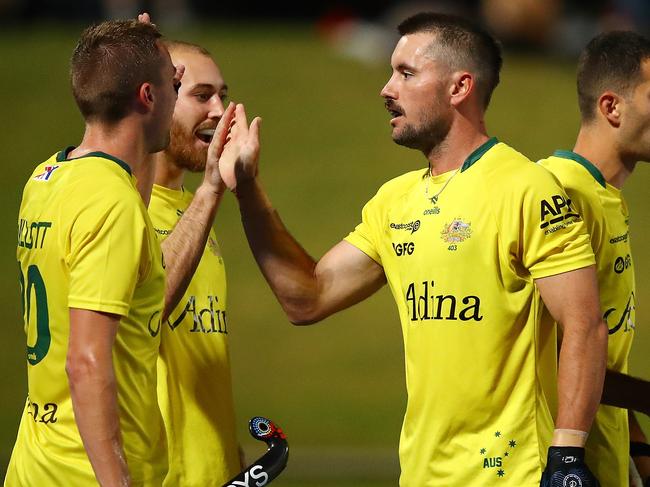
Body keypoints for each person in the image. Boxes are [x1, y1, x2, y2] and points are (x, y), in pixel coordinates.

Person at [216, 12, 609, 487]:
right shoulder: (394, 201)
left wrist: (567, 456)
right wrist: (247, 189)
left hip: (513, 474)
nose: (386, 89)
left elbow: (584, 323)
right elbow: (307, 297)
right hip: (422, 474)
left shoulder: (527, 189)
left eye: (405, 73)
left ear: (459, 87)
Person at [5, 18, 235, 486]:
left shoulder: (48, 177)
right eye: (173, 88)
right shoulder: (112, 205)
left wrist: (130, 54)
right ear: (149, 97)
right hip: (86, 473)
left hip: (36, 463)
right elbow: (86, 363)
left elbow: (130, 205)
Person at [539, 30, 650, 487]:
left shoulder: (604, 198)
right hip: (556, 469)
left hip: (599, 467)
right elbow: (559, 355)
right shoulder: (557, 192)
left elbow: (602, 372)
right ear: (612, 107)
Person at [147, 39, 241, 486]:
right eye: (202, 96)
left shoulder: (193, 212)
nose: (220, 111)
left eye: (222, 95)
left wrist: (231, 458)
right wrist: (212, 191)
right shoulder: (121, 207)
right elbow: (145, 312)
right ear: (154, 98)